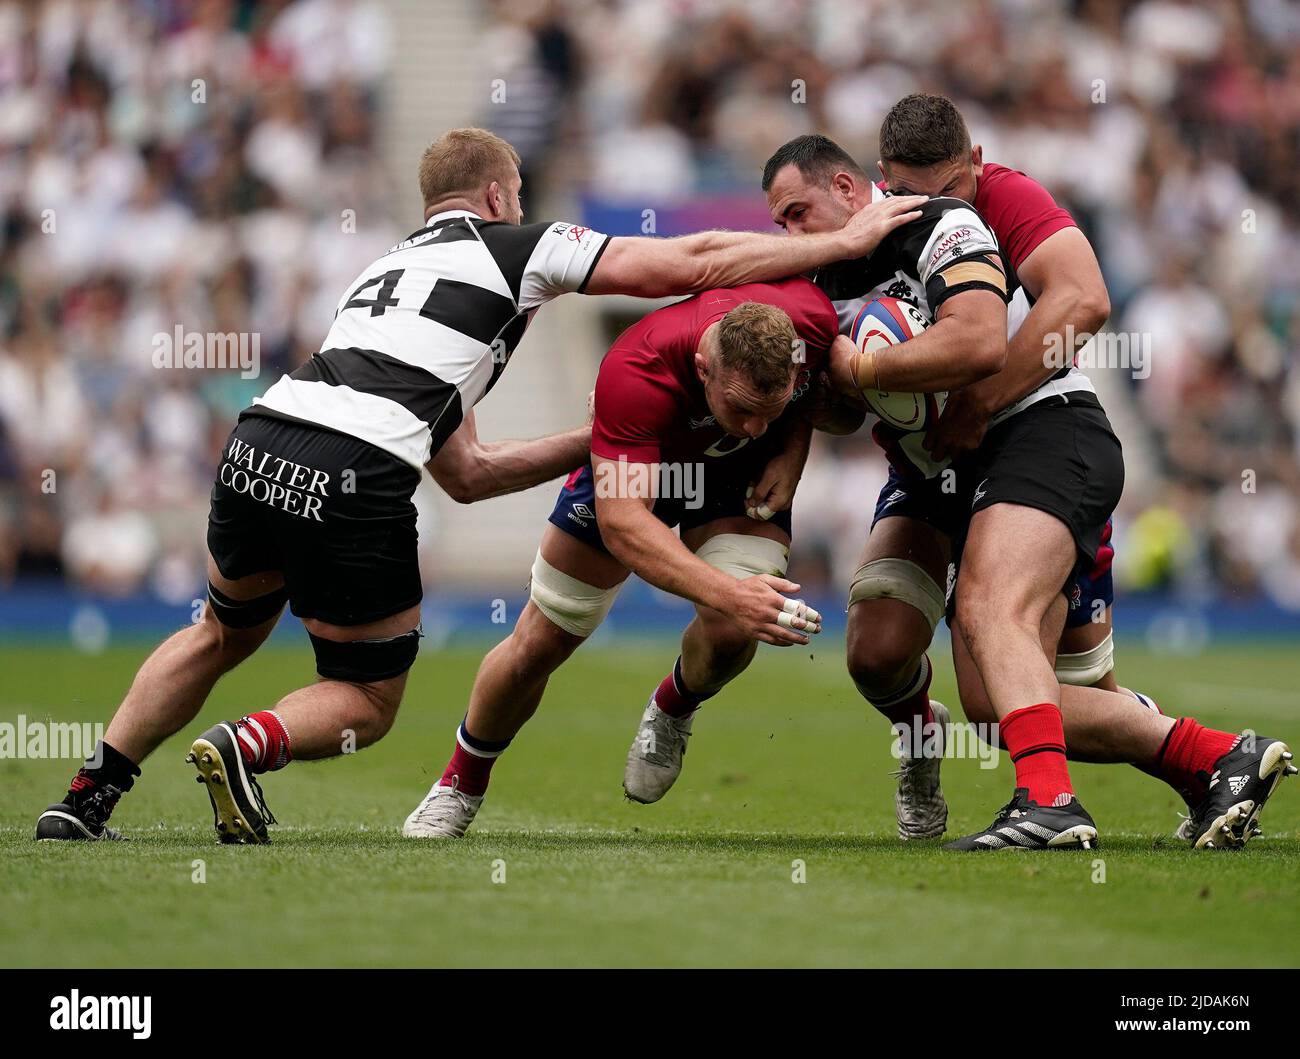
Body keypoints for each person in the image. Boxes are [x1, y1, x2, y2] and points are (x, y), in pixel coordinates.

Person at [35, 127, 926, 844]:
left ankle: (87, 790)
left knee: (219, 630)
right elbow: (687, 262)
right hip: (357, 466)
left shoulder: (386, 270)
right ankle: (246, 743)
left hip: (263, 441)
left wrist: (616, 438)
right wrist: (845, 240)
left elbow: (466, 474)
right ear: (500, 196)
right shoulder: (517, 245)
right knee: (369, 701)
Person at [765, 102, 1295, 850]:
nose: (949, 204)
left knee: (994, 612)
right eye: (780, 219)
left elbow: (1085, 300)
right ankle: (1218, 760)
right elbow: (842, 411)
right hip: (935, 472)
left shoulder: (998, 197)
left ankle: (1049, 803)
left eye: (956, 187)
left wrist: (965, 398)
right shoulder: (818, 265)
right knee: (958, 687)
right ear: (884, 186)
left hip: (1039, 434)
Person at [402, 280, 851, 838]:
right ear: (703, 368)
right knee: (540, 643)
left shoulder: (809, 322)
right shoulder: (636, 371)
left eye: (770, 411)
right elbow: (624, 524)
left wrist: (790, 447)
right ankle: (459, 783)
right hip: (641, 467)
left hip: (738, 476)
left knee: (734, 631)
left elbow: (817, 398)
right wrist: (731, 592)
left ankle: (674, 705)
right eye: (743, 409)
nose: (756, 424)